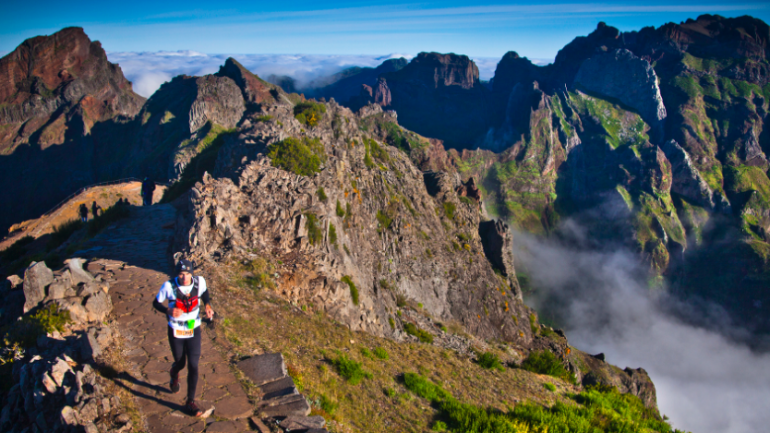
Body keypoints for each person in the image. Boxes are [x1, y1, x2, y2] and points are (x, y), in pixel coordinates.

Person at [152, 259, 214, 416]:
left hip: (193, 328)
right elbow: (156, 303)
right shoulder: (169, 286)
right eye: (181, 274)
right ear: (177, 274)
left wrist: (207, 304)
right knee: (181, 363)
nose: (184, 278)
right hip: (176, 330)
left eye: (187, 274)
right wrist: (167, 310)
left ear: (192, 273)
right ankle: (174, 372)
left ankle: (190, 402)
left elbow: (204, 292)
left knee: (193, 364)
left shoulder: (199, 282)